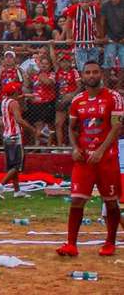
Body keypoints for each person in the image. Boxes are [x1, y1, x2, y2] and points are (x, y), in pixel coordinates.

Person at [57, 61, 123, 257]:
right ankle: (71, 244)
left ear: (100, 74)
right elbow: (72, 128)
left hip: (107, 159)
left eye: (95, 72)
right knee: (77, 200)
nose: (92, 75)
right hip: (84, 160)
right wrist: (75, 148)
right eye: (88, 72)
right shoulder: (77, 100)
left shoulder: (114, 97)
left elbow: (116, 127)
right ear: (83, 76)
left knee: (111, 202)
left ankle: (110, 243)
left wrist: (102, 151)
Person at [0, 81, 35, 197]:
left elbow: (15, 98)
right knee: (17, 165)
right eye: (18, 90)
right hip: (16, 136)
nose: (20, 91)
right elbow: (19, 120)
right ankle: (0, 185)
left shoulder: (4, 101)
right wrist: (32, 130)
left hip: (7, 135)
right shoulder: (14, 103)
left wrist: (25, 96)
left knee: (12, 165)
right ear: (14, 92)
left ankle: (17, 191)